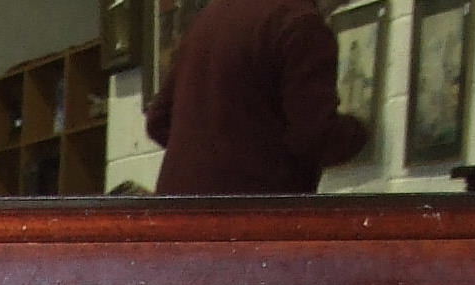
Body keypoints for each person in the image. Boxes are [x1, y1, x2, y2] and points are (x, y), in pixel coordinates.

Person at [146, 0, 369, 193]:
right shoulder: (301, 23)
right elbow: (314, 137)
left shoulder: (212, 16)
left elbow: (159, 120)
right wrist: (362, 130)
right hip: (252, 214)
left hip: (176, 211)